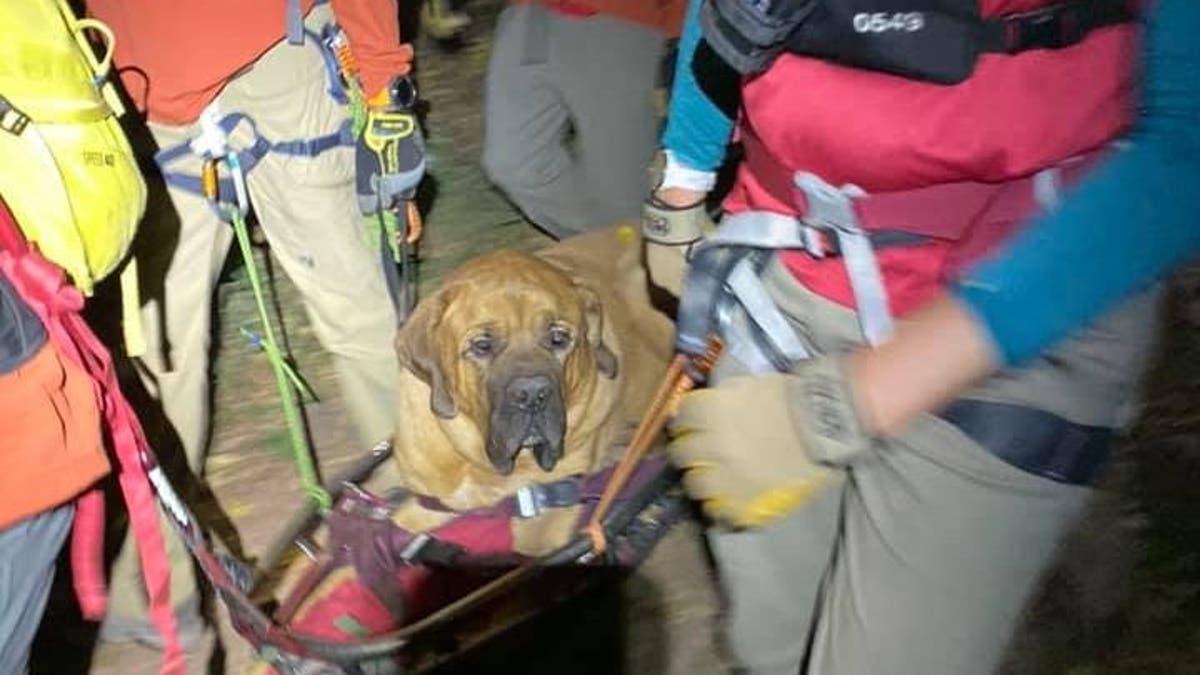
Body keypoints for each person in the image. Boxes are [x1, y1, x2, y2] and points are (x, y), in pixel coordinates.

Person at [650, 0, 1200, 673]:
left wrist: (845, 404)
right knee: (772, 638)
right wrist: (680, 189)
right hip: (786, 277)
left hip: (1013, 312)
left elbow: (1185, 152)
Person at [84, 0, 419, 647]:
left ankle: (426, 519)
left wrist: (383, 85)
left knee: (357, 314)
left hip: (278, 58)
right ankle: (161, 599)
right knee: (157, 359)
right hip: (143, 93)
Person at [482, 0, 686, 239]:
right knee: (516, 164)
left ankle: (627, 256)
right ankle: (609, 249)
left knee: (620, 192)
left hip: (619, 17)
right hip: (529, 13)